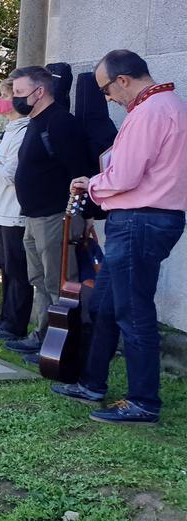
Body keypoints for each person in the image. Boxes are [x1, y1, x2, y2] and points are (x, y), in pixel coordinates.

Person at [51, 50, 187, 425]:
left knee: (133, 311)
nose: (108, 98)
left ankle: (144, 401)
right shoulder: (168, 105)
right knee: (107, 307)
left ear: (123, 80)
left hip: (141, 221)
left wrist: (90, 184)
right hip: (144, 219)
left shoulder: (150, 112)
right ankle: (92, 383)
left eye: (106, 90)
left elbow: (125, 176)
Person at [6, 66, 96, 356]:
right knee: (39, 280)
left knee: (59, 283)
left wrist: (82, 217)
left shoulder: (59, 123)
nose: (15, 99)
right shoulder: (35, 121)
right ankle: (42, 335)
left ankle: (64, 346)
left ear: (39, 91)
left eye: (19, 93)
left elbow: (79, 171)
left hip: (56, 217)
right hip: (33, 217)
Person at [0, 80, 33, 341]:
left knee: (18, 271)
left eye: (5, 95)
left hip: (14, 211)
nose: (0, 100)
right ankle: (4, 319)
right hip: (0, 209)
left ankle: (15, 325)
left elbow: (9, 174)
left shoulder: (25, 131)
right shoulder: (10, 129)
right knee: (5, 269)